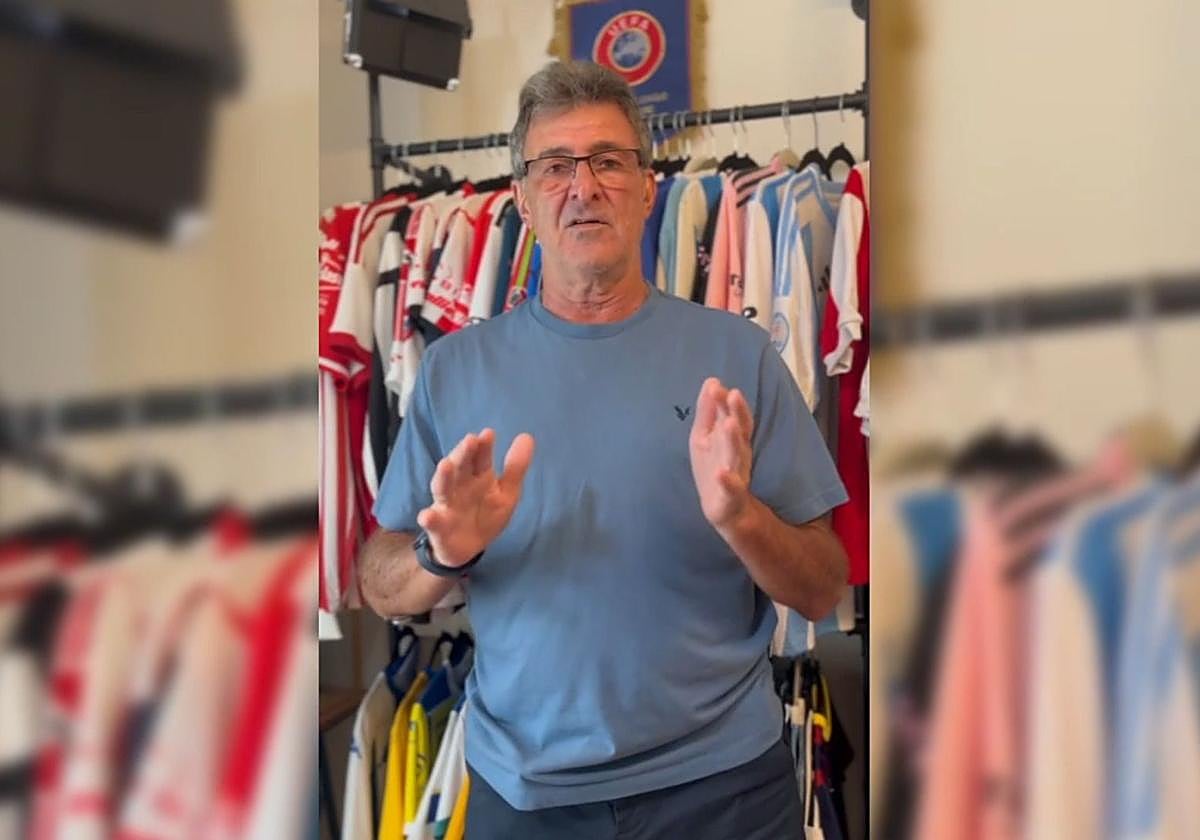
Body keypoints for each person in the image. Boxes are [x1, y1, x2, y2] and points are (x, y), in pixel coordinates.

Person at [360, 60, 850, 839]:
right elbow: (379, 582)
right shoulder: (455, 370)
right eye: (555, 166)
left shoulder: (738, 355)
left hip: (725, 790)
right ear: (523, 198)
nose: (583, 186)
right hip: (526, 801)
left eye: (608, 161)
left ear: (648, 188)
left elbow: (823, 588)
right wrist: (439, 554)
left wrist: (741, 517)